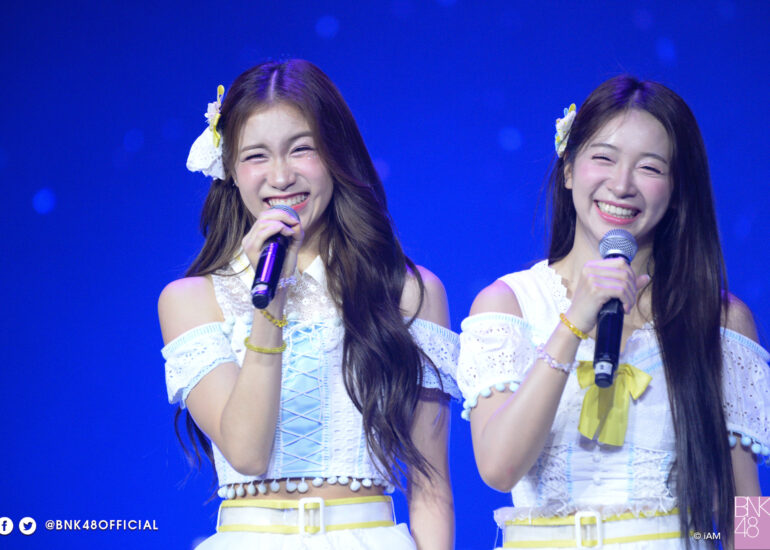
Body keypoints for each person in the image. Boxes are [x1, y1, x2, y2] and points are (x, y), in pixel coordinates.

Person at [457, 75, 769, 549]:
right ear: (568, 169)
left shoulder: (718, 319)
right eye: (603, 158)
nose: (621, 185)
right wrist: (573, 323)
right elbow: (499, 468)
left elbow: (743, 504)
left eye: (649, 168)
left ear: (676, 189)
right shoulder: (509, 304)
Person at [159, 59, 458, 550]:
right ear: (230, 170)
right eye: (256, 156)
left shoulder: (407, 291)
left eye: (302, 149)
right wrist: (269, 303)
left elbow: (431, 486)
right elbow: (247, 453)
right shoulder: (192, 300)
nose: (281, 177)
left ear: (337, 155)